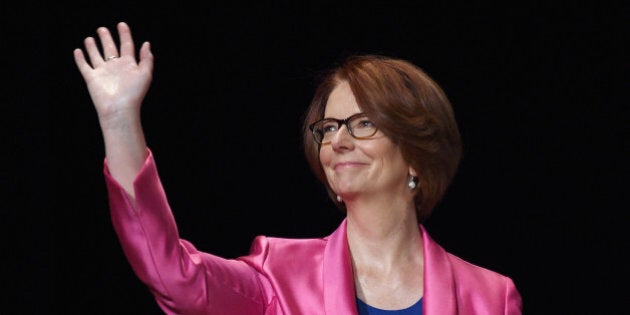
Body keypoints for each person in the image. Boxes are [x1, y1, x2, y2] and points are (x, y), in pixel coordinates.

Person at [74, 22, 522, 314]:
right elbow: (171, 274)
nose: (337, 140)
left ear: (416, 153)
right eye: (328, 127)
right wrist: (118, 119)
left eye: (363, 123)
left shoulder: (491, 297)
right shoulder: (277, 274)